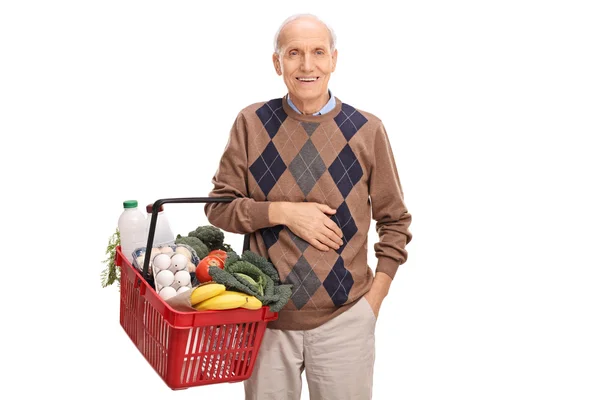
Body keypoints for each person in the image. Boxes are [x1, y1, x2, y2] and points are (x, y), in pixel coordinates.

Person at [204, 13, 412, 400]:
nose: (306, 65)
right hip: (265, 321)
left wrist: (374, 299)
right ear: (276, 62)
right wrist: (283, 212)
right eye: (294, 53)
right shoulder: (251, 123)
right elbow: (218, 208)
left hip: (345, 320)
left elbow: (395, 221)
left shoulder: (367, 130)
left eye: (318, 52)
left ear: (334, 59)